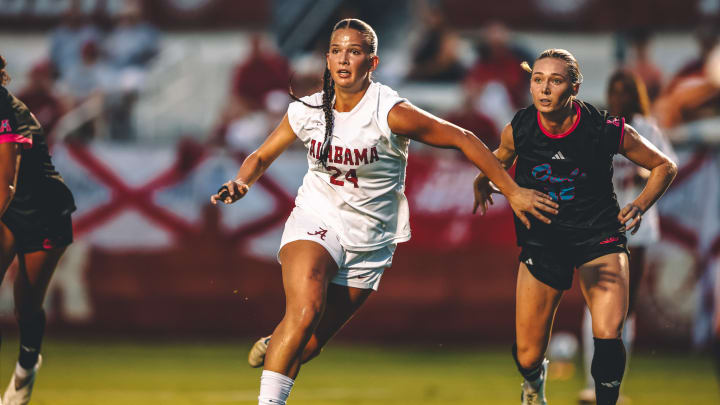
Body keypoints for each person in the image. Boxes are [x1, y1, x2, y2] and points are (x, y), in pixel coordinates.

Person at [210, 18, 558, 405]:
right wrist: (242, 183)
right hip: (316, 218)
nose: (344, 59)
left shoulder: (389, 112)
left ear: (371, 63)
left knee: (306, 344)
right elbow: (260, 155)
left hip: (371, 240)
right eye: (337, 51)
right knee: (305, 309)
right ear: (327, 59)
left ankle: (276, 341)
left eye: (355, 52)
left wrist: (511, 190)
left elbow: (463, 138)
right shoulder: (306, 109)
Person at [472, 49, 677, 405]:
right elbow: (493, 166)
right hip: (544, 240)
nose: (545, 89)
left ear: (575, 87)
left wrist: (640, 205)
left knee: (609, 333)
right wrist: (499, 188)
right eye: (538, 80)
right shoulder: (519, 128)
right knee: (526, 355)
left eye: (555, 80)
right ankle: (534, 384)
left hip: (599, 236)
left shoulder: (602, 129)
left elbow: (665, 166)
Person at [578, 69, 677, 404]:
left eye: (625, 91)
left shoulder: (648, 130)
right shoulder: (600, 128)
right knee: (596, 304)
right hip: (602, 226)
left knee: (626, 309)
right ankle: (594, 386)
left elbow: (667, 167)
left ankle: (613, 385)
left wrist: (644, 172)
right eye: (614, 91)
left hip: (639, 227)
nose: (619, 97)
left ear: (635, 95)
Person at [0, 55, 76, 405]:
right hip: (9, 212)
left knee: (26, 305)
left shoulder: (5, 110)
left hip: (42, 210)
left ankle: (27, 364)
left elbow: (5, 188)